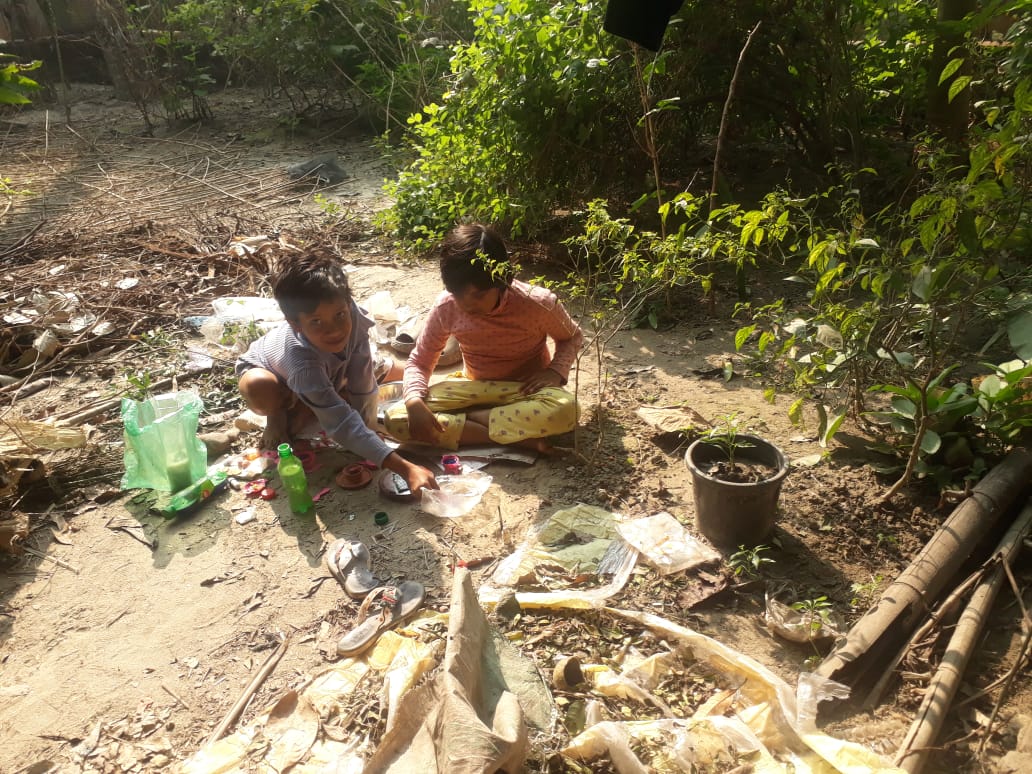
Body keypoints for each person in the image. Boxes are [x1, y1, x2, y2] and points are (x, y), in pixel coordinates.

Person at [235, 249, 437, 493]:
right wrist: (405, 468)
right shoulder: (302, 363)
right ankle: (279, 413)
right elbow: (341, 423)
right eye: (317, 322)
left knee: (372, 375)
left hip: (328, 370)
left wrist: (368, 431)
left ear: (348, 304)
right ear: (295, 324)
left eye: (340, 315)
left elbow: (363, 384)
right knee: (262, 387)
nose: (334, 330)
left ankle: (307, 404)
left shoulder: (354, 316)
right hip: (271, 374)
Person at [385, 223, 583, 452]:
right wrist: (413, 401)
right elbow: (420, 361)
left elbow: (572, 336)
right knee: (397, 417)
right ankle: (520, 440)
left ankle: (467, 422)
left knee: (567, 410)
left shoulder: (538, 303)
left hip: (526, 392)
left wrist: (554, 371)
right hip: (474, 388)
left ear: (502, 281)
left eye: (479, 294)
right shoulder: (447, 307)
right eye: (458, 294)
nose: (467, 304)